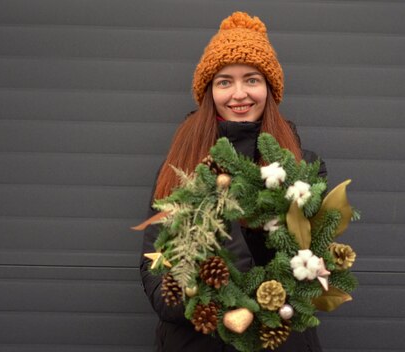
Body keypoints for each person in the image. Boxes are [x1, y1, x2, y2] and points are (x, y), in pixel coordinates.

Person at [139, 11, 326, 352]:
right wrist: (209, 299)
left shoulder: (303, 168)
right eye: (224, 81)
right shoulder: (179, 168)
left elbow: (314, 273)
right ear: (209, 91)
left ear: (269, 88)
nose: (239, 94)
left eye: (252, 79)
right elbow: (157, 279)